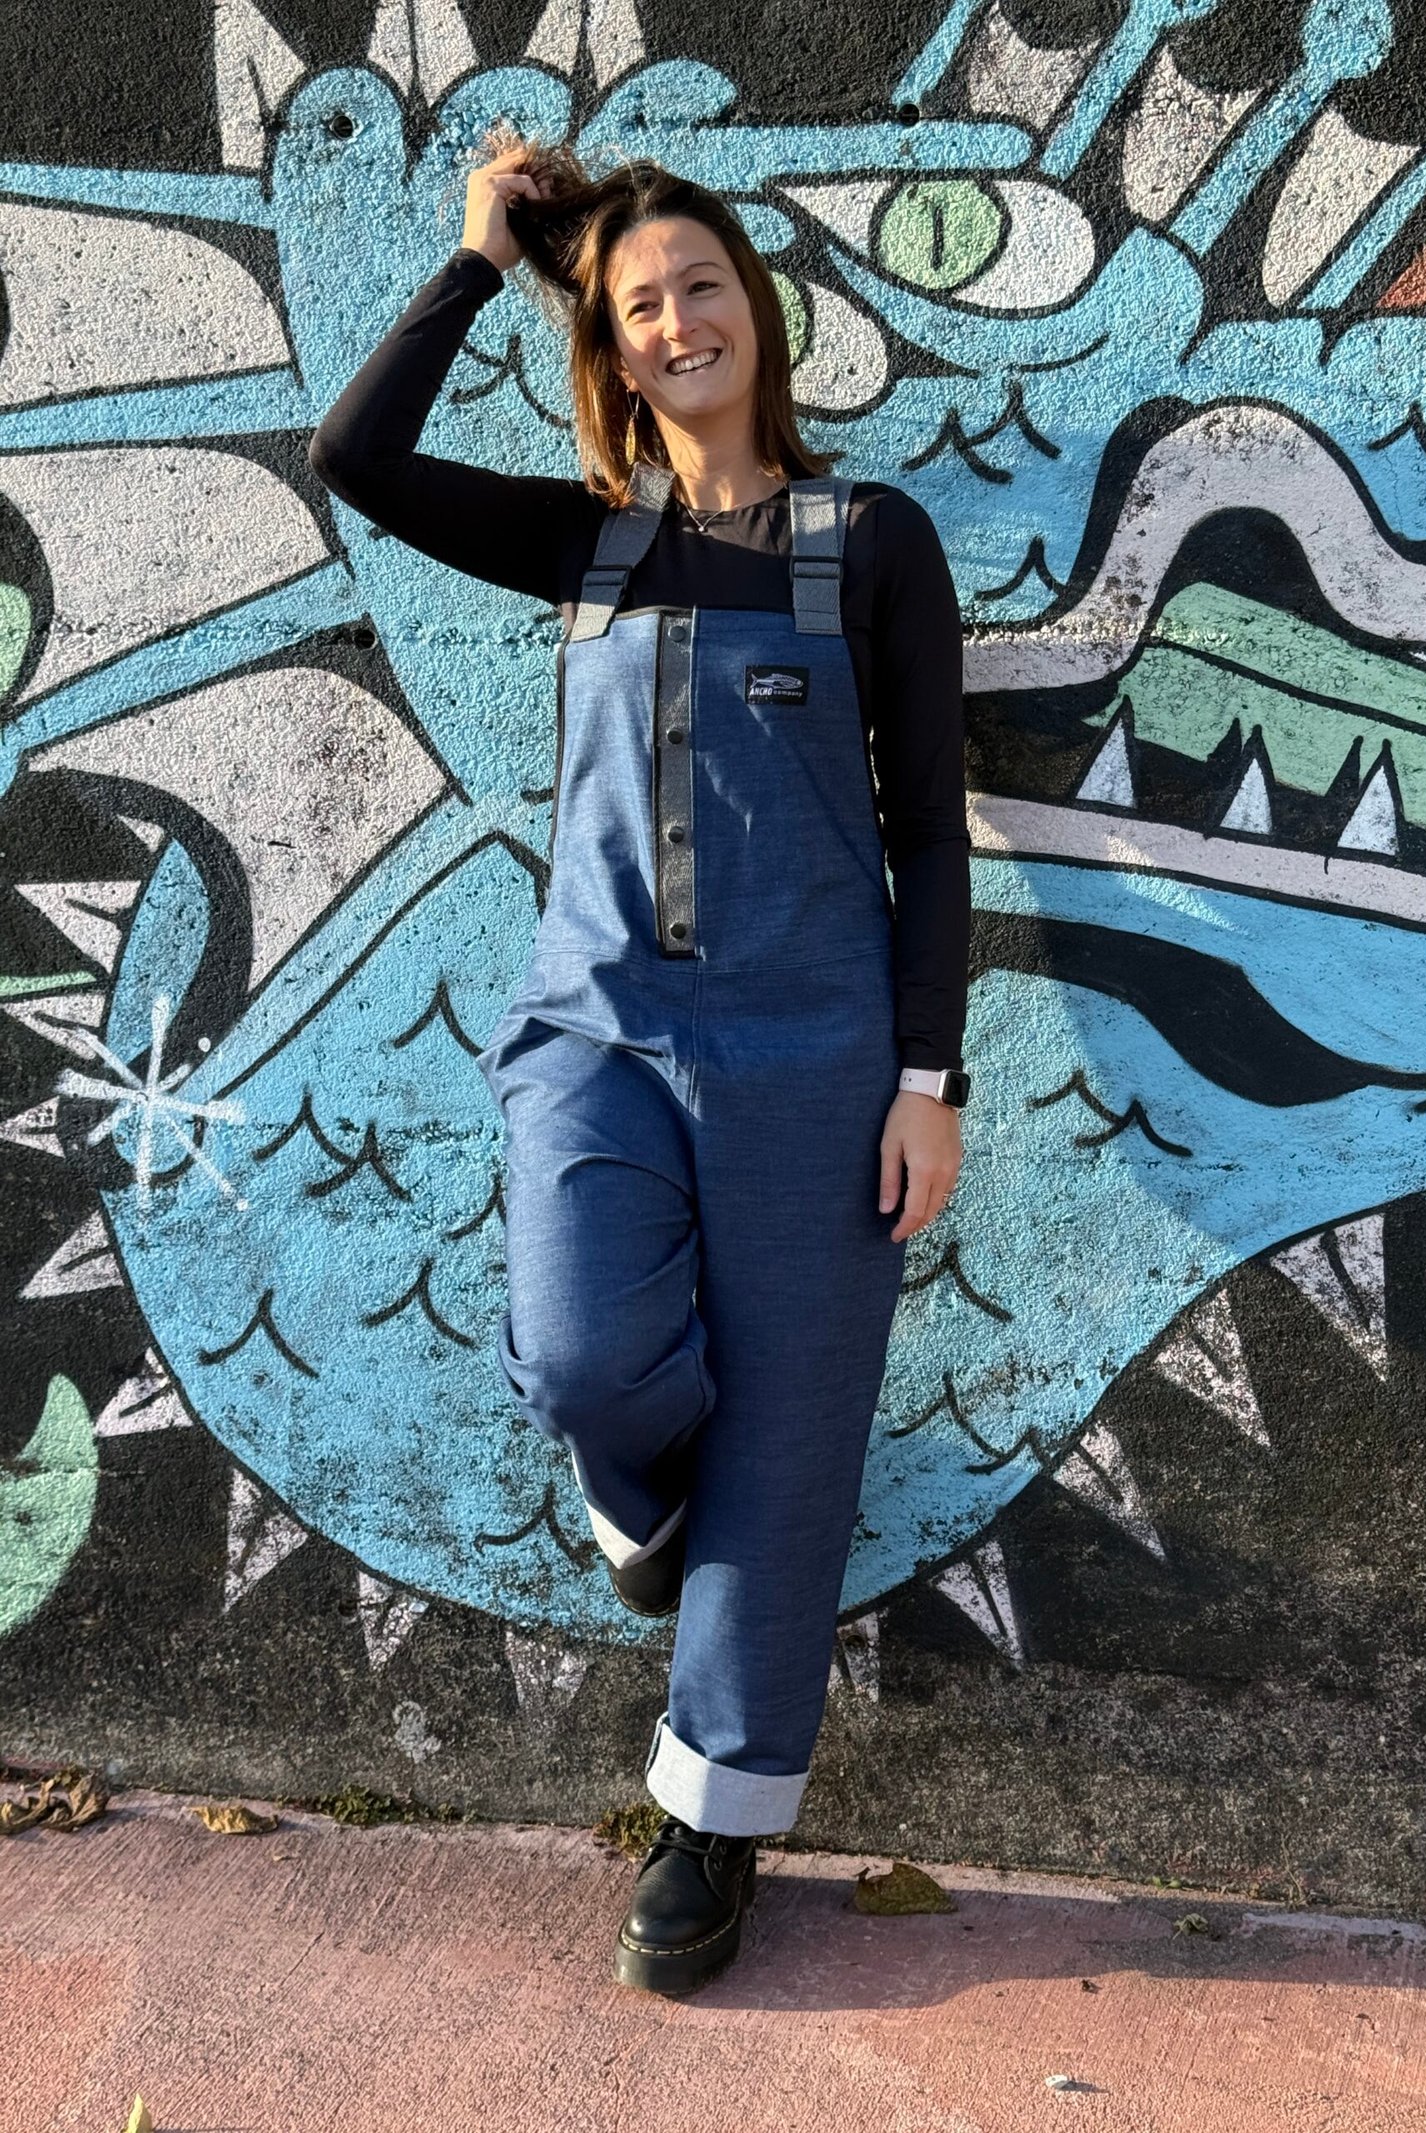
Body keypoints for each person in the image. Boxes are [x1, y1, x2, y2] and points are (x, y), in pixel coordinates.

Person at [307, 131, 971, 1997]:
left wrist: (930, 1080)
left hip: (820, 1058)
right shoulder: (585, 538)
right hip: (596, 1029)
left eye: (703, 286)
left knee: (794, 1439)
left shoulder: (871, 544)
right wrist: (483, 259)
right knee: (586, 1351)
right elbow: (355, 455)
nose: (680, 322)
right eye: (638, 305)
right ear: (605, 346)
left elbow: (931, 827)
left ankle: (712, 1822)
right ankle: (643, 1490)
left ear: (758, 309)